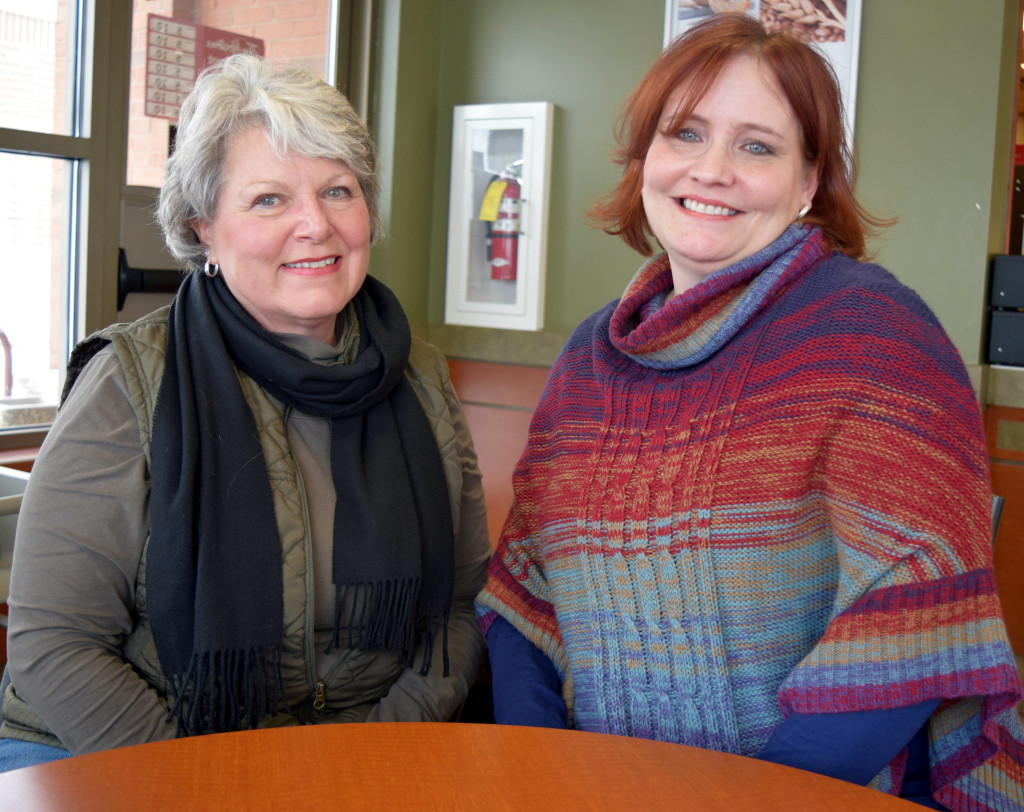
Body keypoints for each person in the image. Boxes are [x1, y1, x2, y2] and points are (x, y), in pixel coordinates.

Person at [476, 13, 1024, 811]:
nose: (713, 169)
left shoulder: (873, 333)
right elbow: (527, 593)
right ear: (646, 161)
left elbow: (913, 620)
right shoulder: (591, 357)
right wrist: (540, 773)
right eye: (685, 134)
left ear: (809, 184)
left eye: (758, 145)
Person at [0, 53, 490, 770]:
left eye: (337, 191)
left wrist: (370, 760)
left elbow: (457, 608)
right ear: (204, 230)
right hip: (113, 751)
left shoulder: (421, 375)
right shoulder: (127, 381)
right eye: (269, 200)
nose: (314, 226)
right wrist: (209, 787)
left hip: (360, 753)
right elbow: (56, 643)